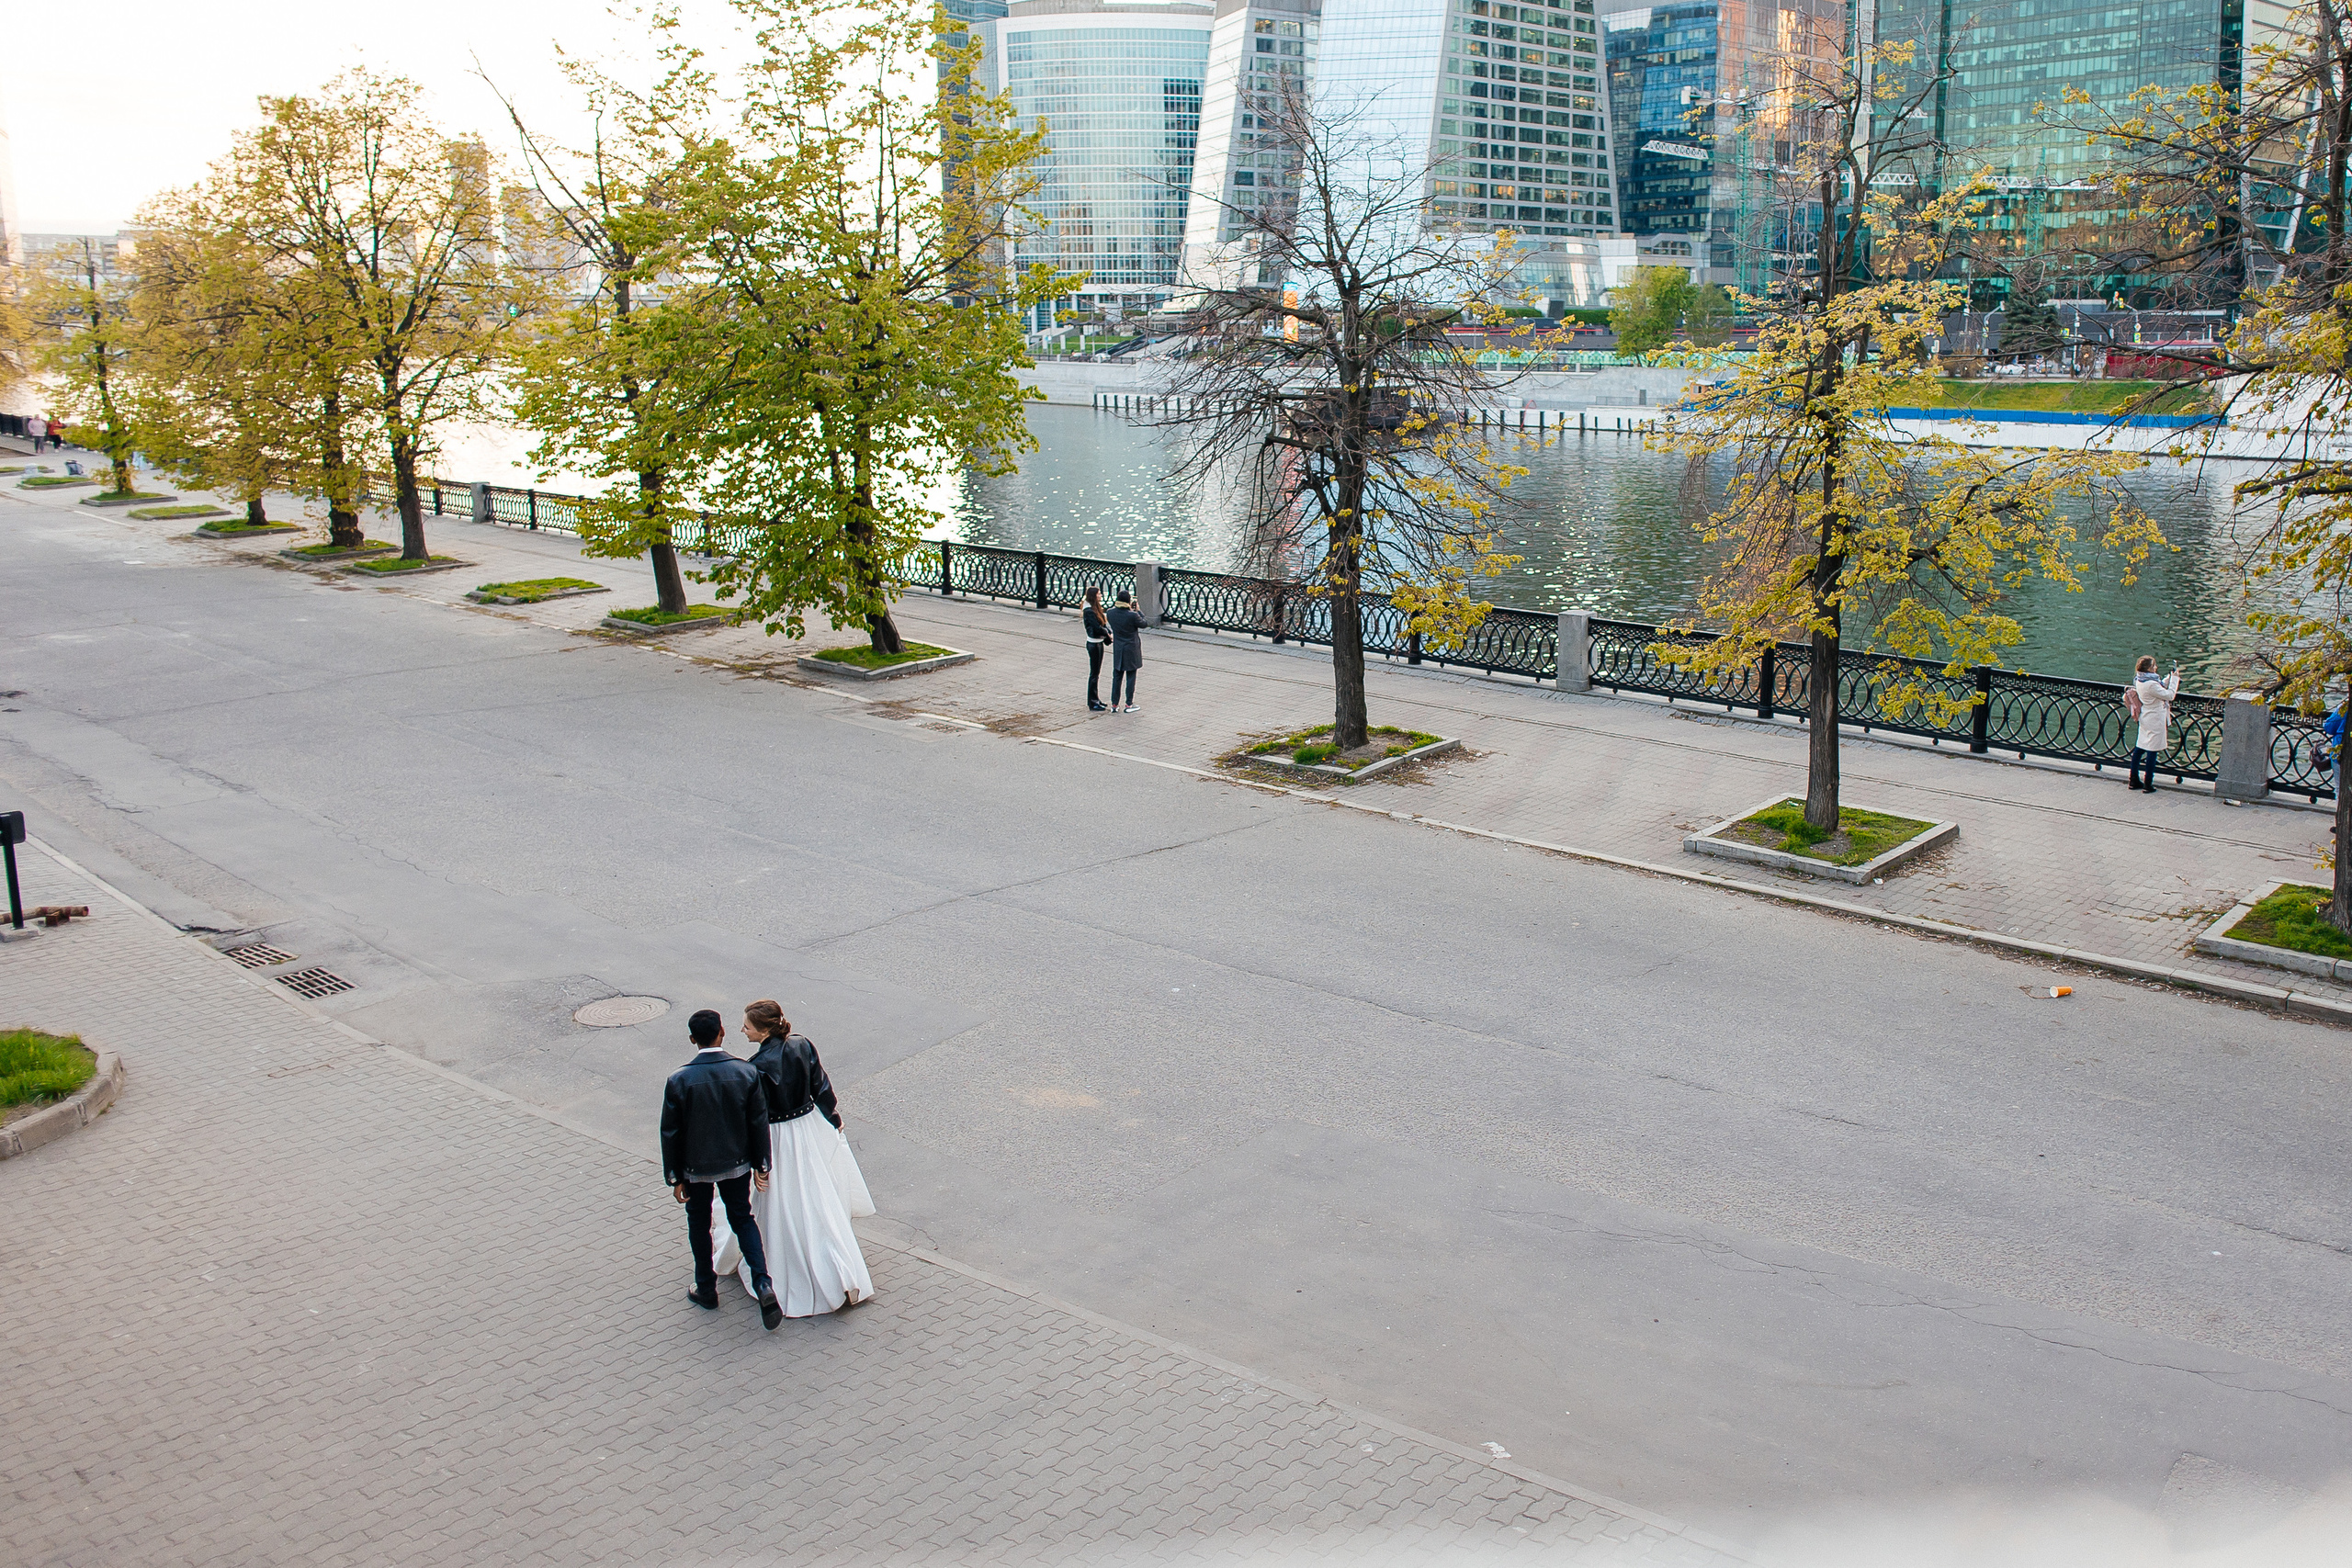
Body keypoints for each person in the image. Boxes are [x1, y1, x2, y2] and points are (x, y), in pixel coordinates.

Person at [722, 1000, 873, 1316]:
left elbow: (756, 1119)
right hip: (806, 1130)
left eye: (747, 1026)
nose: (742, 1029)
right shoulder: (802, 1045)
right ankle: (839, 1270)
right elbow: (821, 1086)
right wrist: (832, 1117)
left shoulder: (754, 1068)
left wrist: (760, 1164)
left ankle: (789, 1267)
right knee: (817, 1197)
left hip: (777, 1138)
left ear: (763, 1030)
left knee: (783, 1202)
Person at [660, 1009, 784, 1329]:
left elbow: (671, 1132)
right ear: (722, 1033)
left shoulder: (679, 1080)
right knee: (742, 1218)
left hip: (696, 1168)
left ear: (692, 1040)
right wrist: (762, 1164)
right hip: (737, 1164)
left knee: (699, 1223)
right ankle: (763, 1283)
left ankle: (706, 1288)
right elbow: (757, 1123)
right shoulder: (745, 1073)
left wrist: (674, 1176)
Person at [2127, 655, 2180, 794]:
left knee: (2140, 748)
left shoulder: (2140, 679)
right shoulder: (2150, 684)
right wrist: (2175, 680)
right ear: (2150, 668)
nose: (2156, 667)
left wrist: (2168, 678)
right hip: (2155, 719)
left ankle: (2133, 779)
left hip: (2146, 716)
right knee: (2152, 750)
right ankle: (2148, 783)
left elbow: (2158, 687)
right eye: (2154, 666)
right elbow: (2169, 695)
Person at [1106, 590, 1146, 712]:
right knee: (1131, 676)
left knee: (1117, 677)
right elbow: (1144, 624)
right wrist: (1138, 610)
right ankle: (1129, 704)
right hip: (1131, 649)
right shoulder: (1132, 615)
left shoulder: (1110, 613)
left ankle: (1114, 704)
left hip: (1118, 648)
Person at [1083, 586, 1112, 712]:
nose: (1101, 595)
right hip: (1094, 644)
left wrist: (1108, 632)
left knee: (1096, 673)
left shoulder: (1096, 608)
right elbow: (1096, 627)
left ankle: (1096, 699)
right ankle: (1092, 701)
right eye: (1099, 594)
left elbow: (1103, 624)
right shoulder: (1089, 611)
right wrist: (1107, 633)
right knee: (1094, 674)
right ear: (1093, 596)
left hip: (1098, 643)